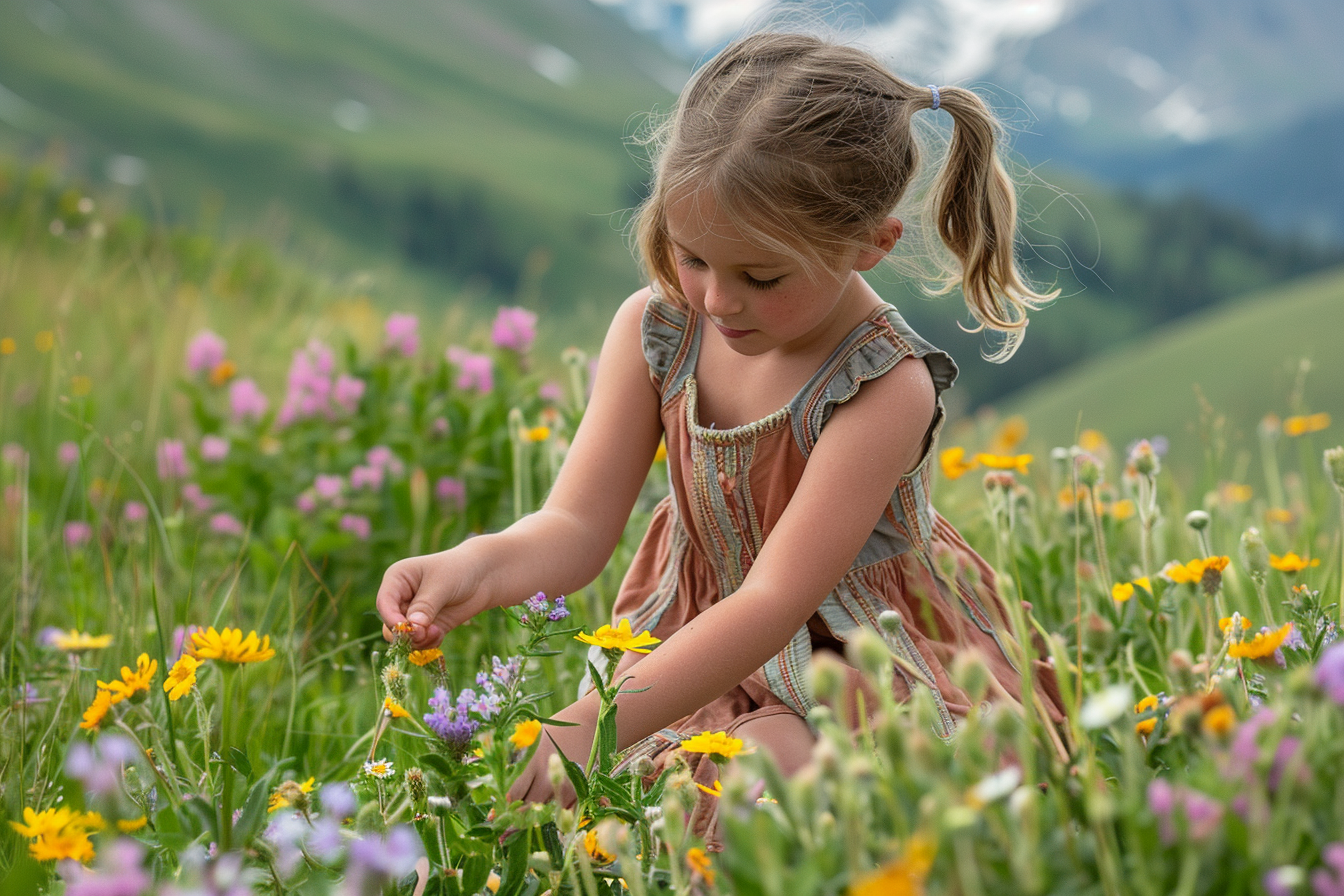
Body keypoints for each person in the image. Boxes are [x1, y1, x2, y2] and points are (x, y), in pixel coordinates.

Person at [377, 31, 1065, 841]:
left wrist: (598, 719)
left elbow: (775, 602)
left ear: (870, 245)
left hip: (856, 664)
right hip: (698, 655)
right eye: (691, 255)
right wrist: (475, 568)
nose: (714, 300)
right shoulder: (657, 329)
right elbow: (574, 527)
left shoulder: (884, 386)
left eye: (760, 278)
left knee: (776, 787)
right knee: (651, 813)